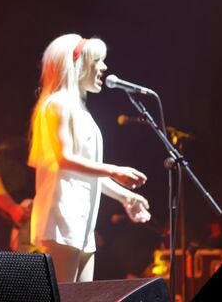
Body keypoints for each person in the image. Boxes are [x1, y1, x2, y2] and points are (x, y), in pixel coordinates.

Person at [28, 34, 150, 283]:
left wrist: (125, 196)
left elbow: (84, 170)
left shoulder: (79, 110)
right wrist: (114, 170)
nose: (104, 67)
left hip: (81, 222)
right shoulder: (58, 104)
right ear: (77, 65)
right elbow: (64, 159)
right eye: (97, 61)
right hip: (62, 220)